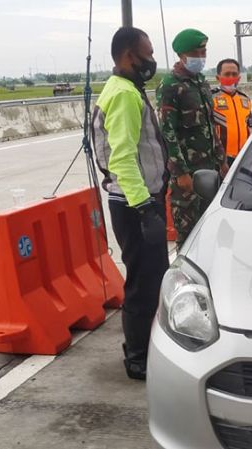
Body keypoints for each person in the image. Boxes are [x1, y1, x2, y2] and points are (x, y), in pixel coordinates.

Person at [91, 27, 168, 380]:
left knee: (152, 276)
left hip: (137, 199)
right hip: (133, 203)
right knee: (144, 280)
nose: (151, 60)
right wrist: (144, 208)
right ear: (128, 56)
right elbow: (122, 158)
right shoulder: (123, 94)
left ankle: (146, 348)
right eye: (147, 53)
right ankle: (137, 358)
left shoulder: (125, 88)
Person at [156, 28, 228, 247]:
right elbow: (168, 132)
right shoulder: (170, 86)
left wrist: (222, 161)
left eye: (204, 51)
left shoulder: (201, 82)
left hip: (210, 169)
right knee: (188, 235)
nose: (202, 57)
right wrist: (180, 173)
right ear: (183, 55)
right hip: (188, 174)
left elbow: (210, 125)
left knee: (211, 231)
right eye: (198, 52)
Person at [212, 59, 252, 166]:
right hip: (220, 160)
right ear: (218, 77)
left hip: (243, 158)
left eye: (234, 74)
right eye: (227, 74)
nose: (231, 78)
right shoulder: (210, 98)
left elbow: (251, 128)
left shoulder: (245, 99)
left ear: (239, 78)